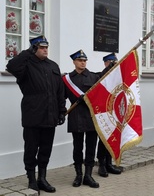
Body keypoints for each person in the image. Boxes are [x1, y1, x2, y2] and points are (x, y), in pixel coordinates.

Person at [6, 35, 66, 194]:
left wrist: (62, 111)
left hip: (50, 115)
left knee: (46, 149)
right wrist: (27, 52)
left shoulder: (53, 66)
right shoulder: (25, 66)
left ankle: (42, 178)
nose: (45, 49)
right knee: (31, 149)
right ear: (34, 49)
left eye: (47, 47)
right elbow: (11, 66)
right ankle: (31, 178)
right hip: (33, 115)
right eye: (41, 47)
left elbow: (60, 91)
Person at [63, 50, 99, 188]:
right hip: (76, 115)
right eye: (80, 60)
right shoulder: (67, 79)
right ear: (74, 62)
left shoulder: (93, 77)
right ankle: (78, 175)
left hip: (91, 116)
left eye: (85, 60)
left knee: (91, 147)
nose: (83, 62)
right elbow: (62, 97)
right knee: (77, 147)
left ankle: (88, 175)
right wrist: (61, 112)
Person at [96, 53, 122, 177]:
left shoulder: (117, 77)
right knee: (103, 139)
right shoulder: (102, 75)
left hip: (114, 112)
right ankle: (101, 164)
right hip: (103, 112)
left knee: (113, 138)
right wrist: (108, 69)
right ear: (106, 63)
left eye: (115, 63)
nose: (114, 65)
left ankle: (109, 163)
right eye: (112, 63)